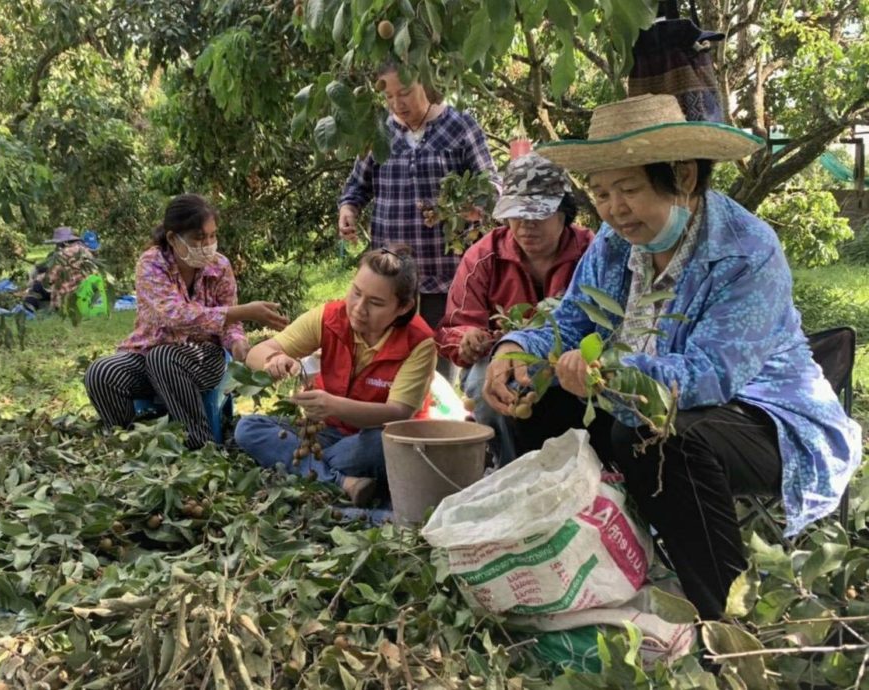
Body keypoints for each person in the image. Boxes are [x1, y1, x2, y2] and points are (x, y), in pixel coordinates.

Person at [482, 94, 862, 619]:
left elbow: (711, 375)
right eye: (602, 193)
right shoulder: (616, 243)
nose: (614, 209)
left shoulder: (745, 251)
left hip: (763, 417)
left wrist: (607, 373)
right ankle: (572, 563)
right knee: (536, 397)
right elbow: (571, 322)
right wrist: (515, 349)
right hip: (646, 397)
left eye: (630, 189)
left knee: (650, 435)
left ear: (682, 176)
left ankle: (727, 623)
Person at [234, 245, 437, 506]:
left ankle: (307, 468)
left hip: (377, 440)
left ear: (403, 307)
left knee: (381, 447)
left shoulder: (419, 342)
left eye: (375, 303)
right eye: (356, 293)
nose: (359, 308)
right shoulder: (329, 317)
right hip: (327, 432)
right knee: (248, 428)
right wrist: (274, 360)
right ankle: (342, 482)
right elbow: (258, 352)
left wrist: (332, 405)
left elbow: (398, 412)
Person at [84, 194, 288, 448]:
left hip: (202, 358)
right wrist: (242, 312)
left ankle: (200, 446)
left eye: (212, 236)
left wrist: (238, 344)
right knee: (101, 372)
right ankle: (131, 445)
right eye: (199, 238)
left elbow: (230, 325)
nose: (208, 244)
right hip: (146, 354)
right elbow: (172, 315)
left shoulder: (220, 266)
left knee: (164, 359)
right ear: (173, 238)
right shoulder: (152, 263)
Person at [337, 62, 499, 379]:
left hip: (445, 275)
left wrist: (475, 204)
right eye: (389, 97)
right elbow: (357, 185)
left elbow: (492, 185)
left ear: (424, 81)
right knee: (388, 372)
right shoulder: (378, 132)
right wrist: (349, 209)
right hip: (391, 280)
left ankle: (434, 426)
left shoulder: (460, 126)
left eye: (405, 92)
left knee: (436, 373)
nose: (398, 104)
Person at [435, 152, 593, 466]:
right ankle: (510, 465)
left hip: (573, 360)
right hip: (498, 362)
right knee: (484, 383)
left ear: (563, 213)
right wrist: (468, 339)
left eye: (537, 216)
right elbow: (455, 325)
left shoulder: (590, 252)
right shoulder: (483, 257)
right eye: (517, 215)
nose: (525, 227)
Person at [23, 227, 97, 313]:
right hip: (85, 292)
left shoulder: (61, 255)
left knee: (37, 286)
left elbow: (50, 278)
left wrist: (34, 281)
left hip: (66, 296)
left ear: (62, 243)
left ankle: (30, 305)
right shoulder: (86, 251)